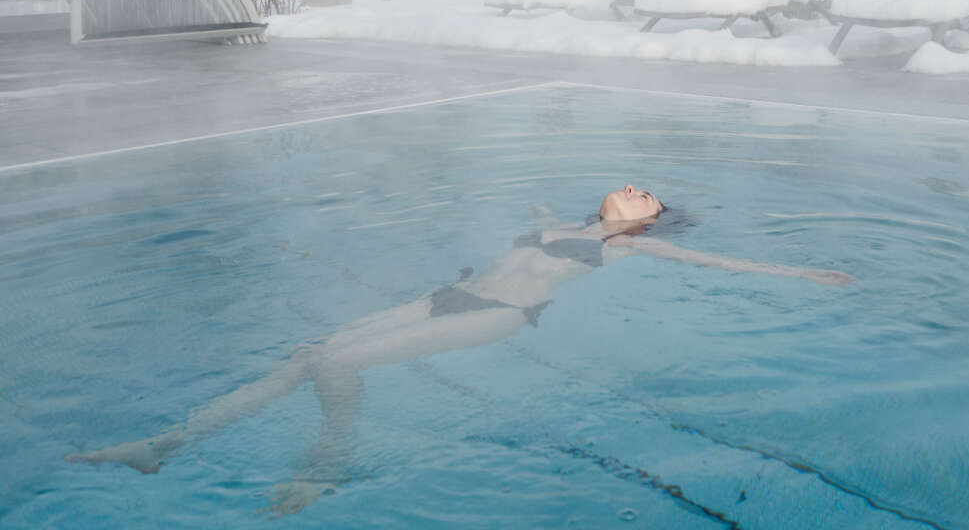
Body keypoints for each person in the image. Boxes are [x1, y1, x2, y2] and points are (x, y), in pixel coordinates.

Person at [67, 184, 851, 514]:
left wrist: (801, 271)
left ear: (646, 221)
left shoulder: (635, 249)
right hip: (452, 294)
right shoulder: (564, 224)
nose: (637, 186)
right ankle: (161, 445)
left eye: (649, 193)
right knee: (310, 351)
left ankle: (326, 467)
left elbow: (719, 261)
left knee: (336, 364)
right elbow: (534, 217)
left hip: (498, 314)